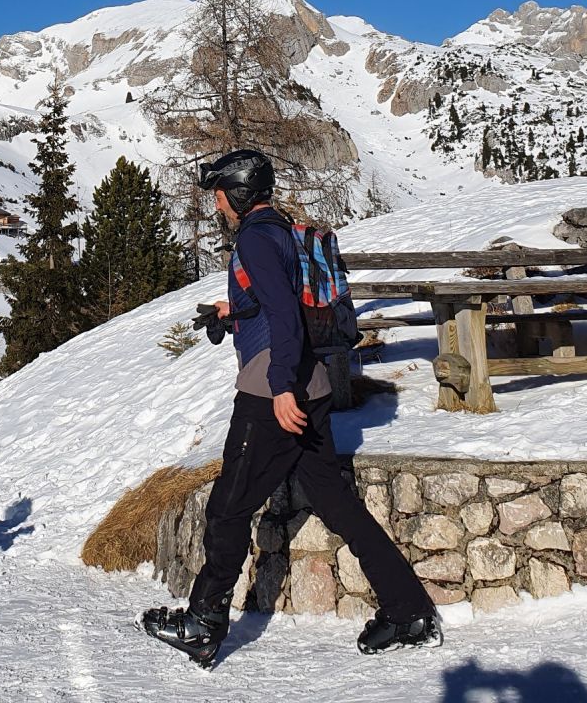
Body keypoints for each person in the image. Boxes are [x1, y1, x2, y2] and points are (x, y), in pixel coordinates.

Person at [142, 149, 439, 668]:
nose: (216, 204)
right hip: (315, 382)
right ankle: (408, 611)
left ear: (238, 194)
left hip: (273, 391)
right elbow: (280, 301)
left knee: (228, 507)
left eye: (220, 194)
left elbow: (284, 314)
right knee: (338, 504)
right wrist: (233, 312)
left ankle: (204, 624)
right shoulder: (280, 231)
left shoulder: (255, 239)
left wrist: (281, 388)